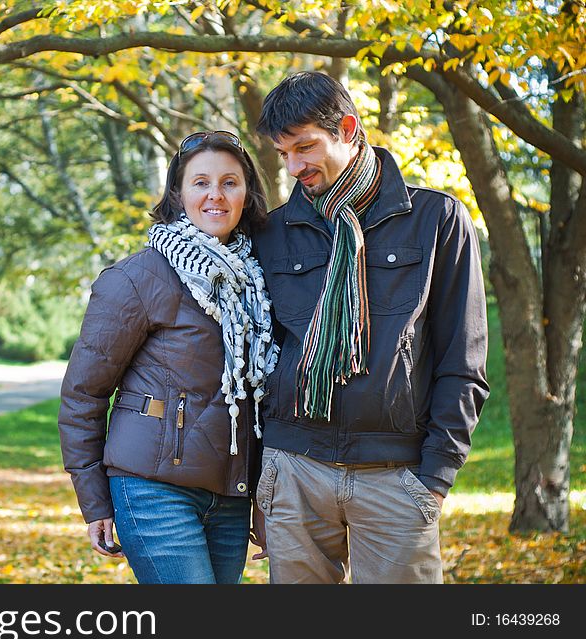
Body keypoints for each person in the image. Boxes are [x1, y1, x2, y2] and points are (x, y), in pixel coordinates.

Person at [251, 71, 490, 584]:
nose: (295, 167)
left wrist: (433, 479)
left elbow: (462, 362)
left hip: (396, 475)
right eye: (283, 153)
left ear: (348, 127)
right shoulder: (271, 233)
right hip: (293, 470)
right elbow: (256, 359)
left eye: (305, 147)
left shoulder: (437, 220)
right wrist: (263, 474)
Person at [58, 130, 277, 584]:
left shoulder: (259, 282)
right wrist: (95, 500)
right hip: (153, 489)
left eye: (229, 182)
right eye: (200, 183)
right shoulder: (137, 278)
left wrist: (260, 494)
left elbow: (262, 402)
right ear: (178, 194)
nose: (215, 195)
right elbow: (84, 394)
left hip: (231, 495)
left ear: (247, 194)